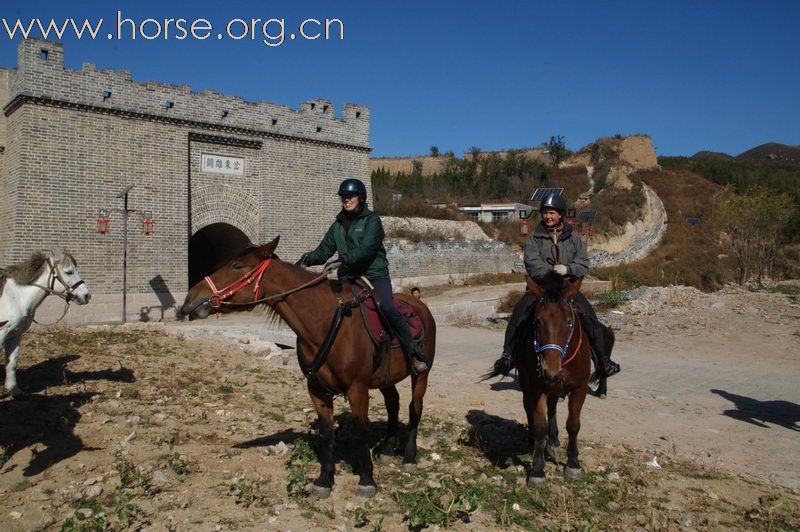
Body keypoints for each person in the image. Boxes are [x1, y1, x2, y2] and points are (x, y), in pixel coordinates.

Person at [297, 178, 429, 374]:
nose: (346, 200)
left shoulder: (372, 221)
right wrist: (307, 259)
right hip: (348, 278)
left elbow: (367, 249)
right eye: (343, 197)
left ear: (360, 198)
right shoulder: (338, 225)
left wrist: (343, 259)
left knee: (387, 307)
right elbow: (324, 250)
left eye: (350, 196)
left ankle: (414, 353)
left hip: (374, 275)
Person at [490, 192, 620, 379]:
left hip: (567, 289)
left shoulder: (574, 237)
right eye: (545, 213)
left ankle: (603, 361)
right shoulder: (535, 237)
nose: (548, 217)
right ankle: (507, 356)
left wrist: (567, 269)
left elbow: (583, 262)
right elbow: (532, 262)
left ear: (560, 215)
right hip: (541, 288)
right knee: (519, 314)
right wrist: (551, 274)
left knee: (589, 317)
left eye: (552, 213)